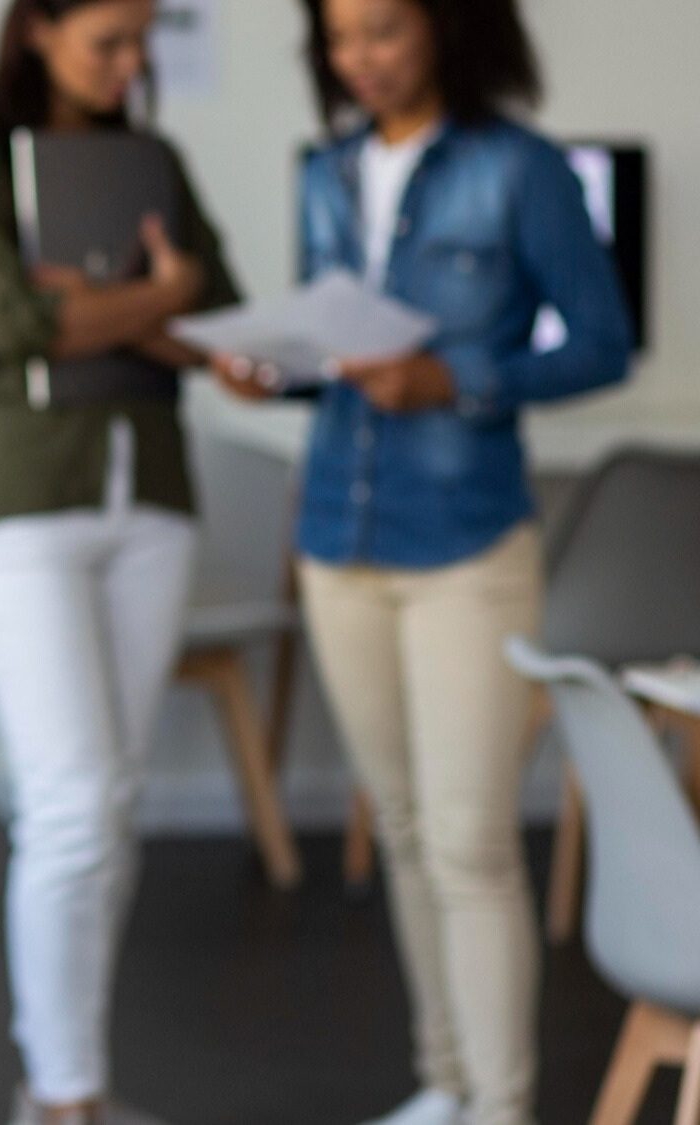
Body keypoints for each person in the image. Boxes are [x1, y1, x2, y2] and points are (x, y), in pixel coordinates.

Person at [210, 1, 631, 1121]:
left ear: (445, 25)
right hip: (336, 537)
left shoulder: (519, 169)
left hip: (464, 541)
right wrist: (272, 371)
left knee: (467, 843)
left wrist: (456, 379)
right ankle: (443, 1083)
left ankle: (499, 1105)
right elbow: (334, 354)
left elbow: (603, 341)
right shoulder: (328, 171)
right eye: (341, 37)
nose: (360, 58)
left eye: (384, 31)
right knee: (399, 829)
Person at [0, 1, 238, 1121]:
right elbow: (7, 324)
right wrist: (160, 297)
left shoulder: (153, 157)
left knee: (112, 806)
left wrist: (108, 306)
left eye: (141, 40)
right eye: (108, 40)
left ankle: (74, 1083)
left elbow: (223, 313)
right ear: (39, 31)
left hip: (150, 503)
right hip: (24, 507)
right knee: (69, 803)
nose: (131, 62)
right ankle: (61, 1100)